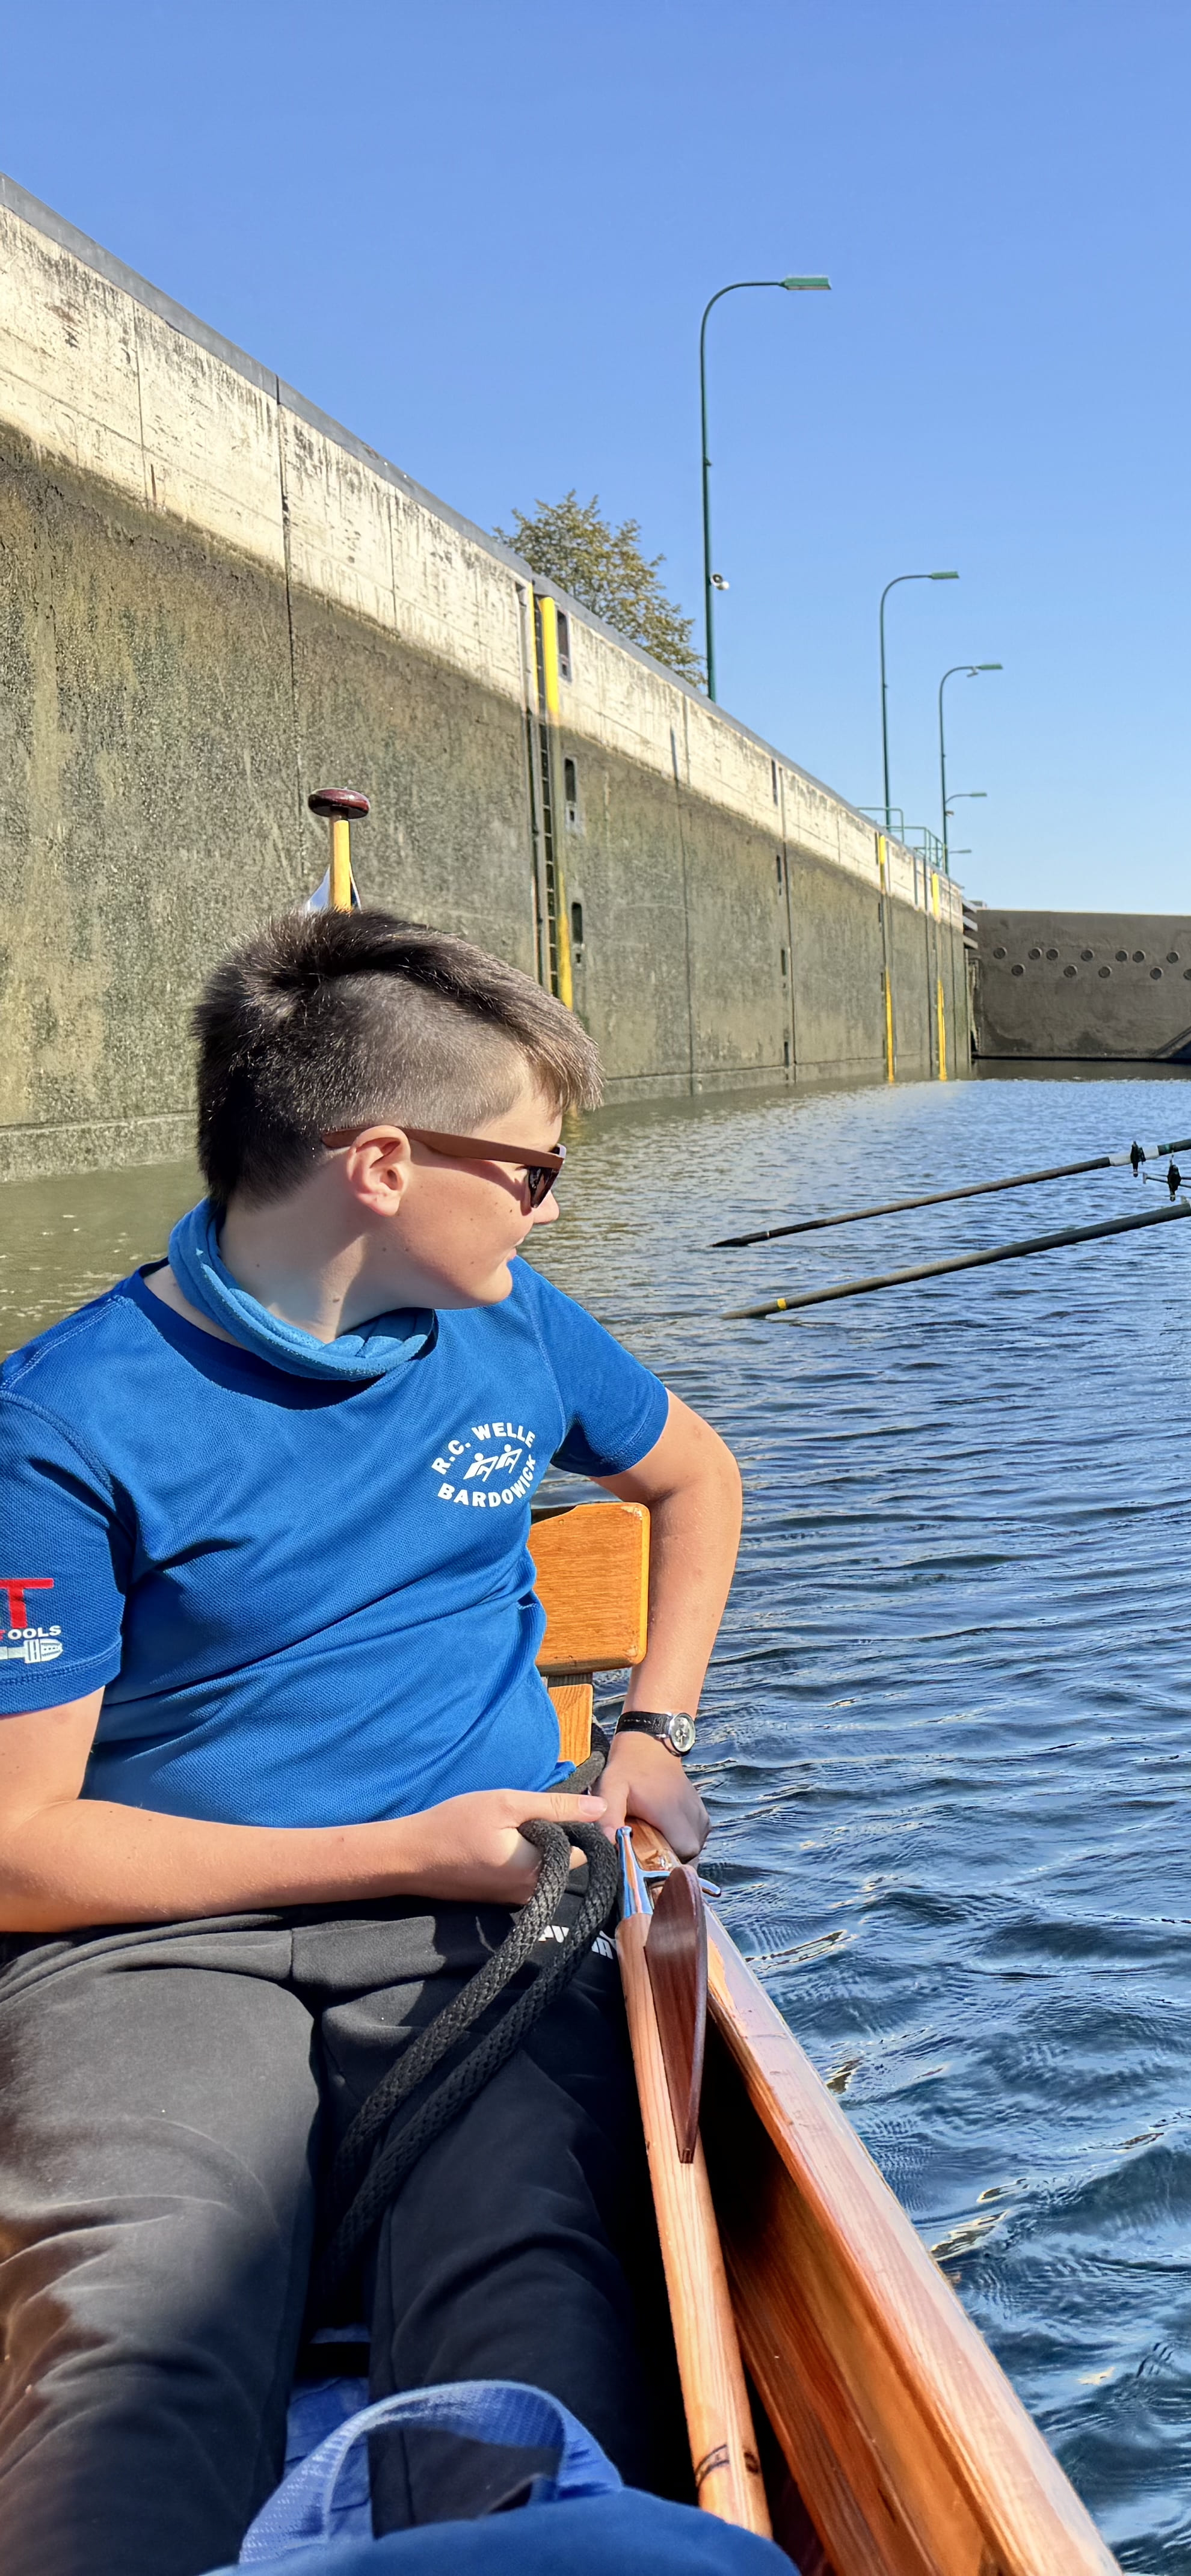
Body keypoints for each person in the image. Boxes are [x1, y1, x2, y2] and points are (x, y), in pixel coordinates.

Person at [0, 908, 743, 2572]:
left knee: (531, 2302)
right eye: (537, 1168)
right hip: (151, 1951)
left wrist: (654, 1727)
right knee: (145, 2315)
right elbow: (20, 1849)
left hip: (481, 1929)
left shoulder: (514, 1326)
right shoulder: (59, 1425)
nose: (555, 1198)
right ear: (386, 1163)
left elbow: (697, 1478)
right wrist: (404, 1848)